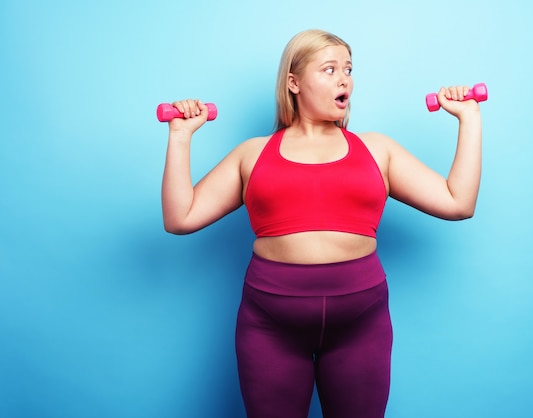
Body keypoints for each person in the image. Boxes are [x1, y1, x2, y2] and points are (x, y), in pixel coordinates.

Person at [161, 29, 482, 418]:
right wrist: (180, 136)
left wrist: (470, 119)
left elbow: (457, 202)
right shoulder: (253, 153)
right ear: (293, 83)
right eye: (329, 69)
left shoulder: (377, 149)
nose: (344, 78)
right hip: (270, 325)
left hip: (360, 324)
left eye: (348, 69)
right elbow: (180, 218)